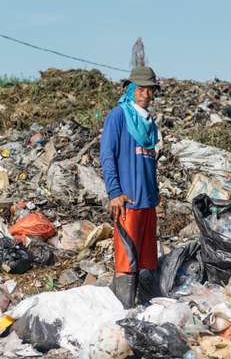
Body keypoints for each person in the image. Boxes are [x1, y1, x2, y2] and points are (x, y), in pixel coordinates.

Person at [100, 66, 160, 308]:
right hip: (128, 202)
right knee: (127, 260)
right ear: (131, 89)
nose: (146, 94)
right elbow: (107, 155)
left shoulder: (149, 123)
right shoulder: (119, 116)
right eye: (141, 89)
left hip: (147, 201)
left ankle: (144, 310)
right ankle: (124, 311)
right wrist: (114, 192)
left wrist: (155, 194)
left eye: (150, 90)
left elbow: (150, 163)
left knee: (147, 260)